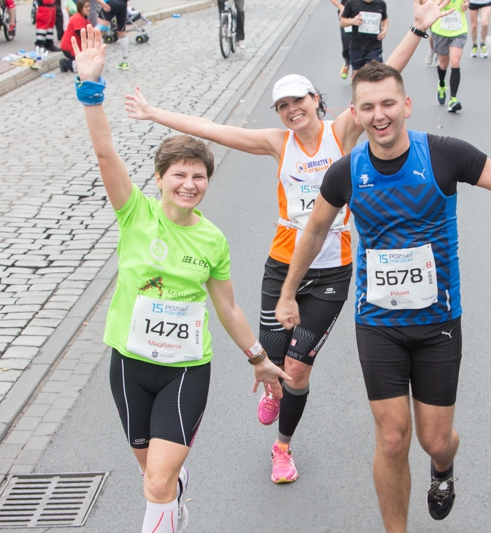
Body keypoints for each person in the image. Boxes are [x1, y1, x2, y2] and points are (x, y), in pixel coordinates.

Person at [125, 0, 452, 486]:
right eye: (283, 106)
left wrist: (418, 32)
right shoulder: (277, 143)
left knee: (297, 369)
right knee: (272, 359)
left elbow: (383, 83)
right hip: (282, 266)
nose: (293, 110)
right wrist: (155, 114)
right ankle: (272, 382)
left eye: (299, 101)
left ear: (316, 100)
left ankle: (283, 447)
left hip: (333, 270)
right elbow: (217, 130)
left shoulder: (341, 131)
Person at [275, 61, 491, 532]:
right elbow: (315, 230)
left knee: (435, 441)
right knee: (393, 437)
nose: (379, 115)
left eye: (387, 104)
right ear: (354, 115)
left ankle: (443, 469)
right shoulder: (345, 171)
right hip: (377, 322)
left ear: (406, 105)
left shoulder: (443, 155)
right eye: (368, 107)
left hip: (438, 322)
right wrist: (288, 293)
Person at [72, 25, 289, 532]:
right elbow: (106, 154)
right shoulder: (135, 214)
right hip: (129, 363)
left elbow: (228, 307)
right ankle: (174, 495)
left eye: (199, 176)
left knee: (155, 485)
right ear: (160, 179)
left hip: (186, 369)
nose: (189, 184)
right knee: (155, 477)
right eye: (180, 175)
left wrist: (258, 358)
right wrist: (91, 89)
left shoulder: (212, 240)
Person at [432, 0, 468, 113]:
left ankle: (453, 99)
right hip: (440, 30)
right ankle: (441, 84)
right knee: (443, 64)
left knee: (455, 62)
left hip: (458, 30)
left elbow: (466, 2)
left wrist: (466, 4)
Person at [340, 0, 388, 75]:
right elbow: (342, 22)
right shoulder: (352, 3)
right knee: (358, 77)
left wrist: (385, 29)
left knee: (371, 74)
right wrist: (353, 21)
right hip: (357, 47)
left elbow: (385, 18)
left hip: (374, 47)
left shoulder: (381, 4)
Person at [95, 0, 130, 69]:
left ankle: (96, 62)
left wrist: (101, 2)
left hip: (109, 3)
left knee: (98, 33)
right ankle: (125, 61)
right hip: (122, 4)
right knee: (122, 32)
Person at [60, 0, 90, 73]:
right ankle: (66, 63)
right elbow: (82, 35)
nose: (88, 8)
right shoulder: (77, 18)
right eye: (86, 7)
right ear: (80, 8)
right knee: (82, 66)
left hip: (75, 47)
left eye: (89, 6)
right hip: (69, 47)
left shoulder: (83, 17)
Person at [328, 0, 352, 79]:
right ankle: (347, 62)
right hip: (347, 14)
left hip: (363, 14)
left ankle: (356, 72)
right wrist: (341, 7)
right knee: (347, 46)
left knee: (361, 46)